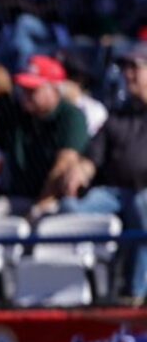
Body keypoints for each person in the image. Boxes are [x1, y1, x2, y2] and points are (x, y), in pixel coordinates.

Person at [0, 55, 88, 221]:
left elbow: (64, 164)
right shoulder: (17, 110)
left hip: (54, 200)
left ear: (54, 90)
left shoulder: (71, 116)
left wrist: (38, 207)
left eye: (33, 90)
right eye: (24, 88)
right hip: (18, 199)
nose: (26, 94)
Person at [60, 42, 147, 302]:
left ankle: (135, 294)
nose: (127, 74)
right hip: (117, 193)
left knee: (144, 206)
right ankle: (78, 293)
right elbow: (91, 159)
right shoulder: (117, 116)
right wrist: (79, 173)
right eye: (124, 68)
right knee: (69, 208)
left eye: (135, 68)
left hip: (144, 196)